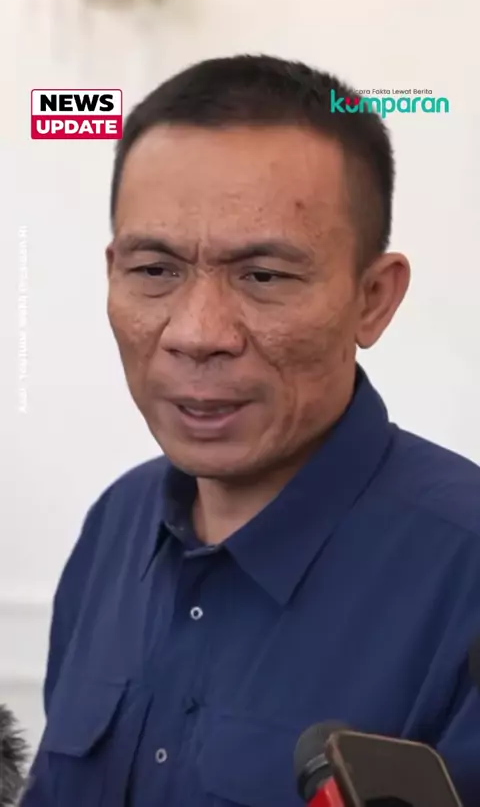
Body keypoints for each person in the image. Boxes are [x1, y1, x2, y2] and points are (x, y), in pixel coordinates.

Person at [23, 55, 480, 807]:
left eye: (263, 276)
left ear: (373, 298)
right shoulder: (115, 526)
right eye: (155, 270)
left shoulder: (464, 573)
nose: (197, 334)